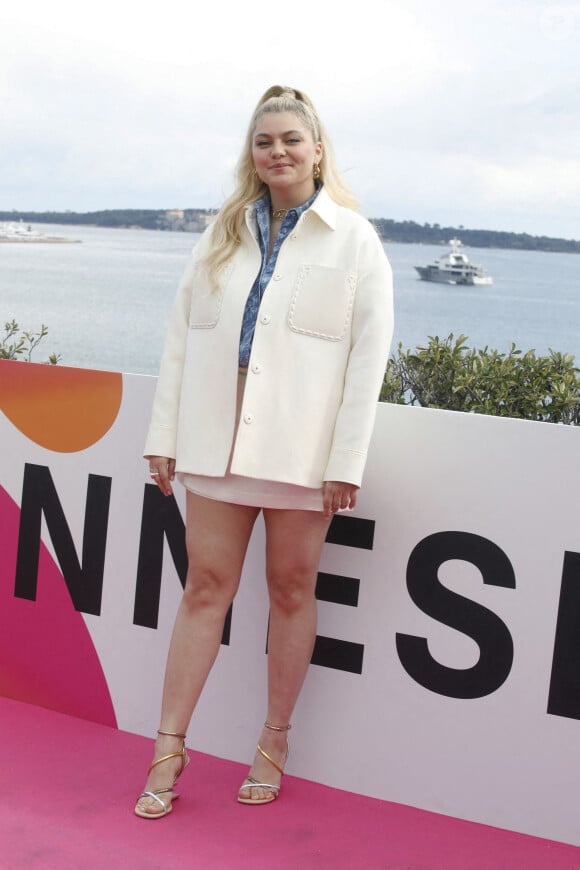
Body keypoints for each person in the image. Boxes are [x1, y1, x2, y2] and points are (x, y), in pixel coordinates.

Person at [135, 84, 394, 818]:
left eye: (290, 139)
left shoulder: (353, 239)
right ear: (251, 154)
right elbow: (182, 341)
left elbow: (367, 360)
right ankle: (167, 747)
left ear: (317, 150)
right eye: (263, 141)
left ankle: (273, 741)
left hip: (301, 452)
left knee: (290, 591)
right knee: (203, 591)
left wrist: (346, 460)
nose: (277, 151)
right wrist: (165, 439)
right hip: (213, 442)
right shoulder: (221, 234)